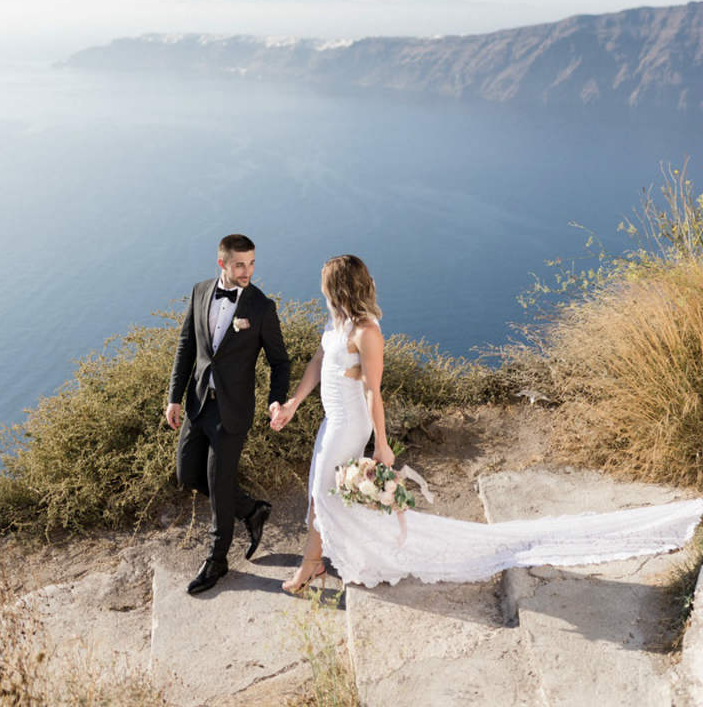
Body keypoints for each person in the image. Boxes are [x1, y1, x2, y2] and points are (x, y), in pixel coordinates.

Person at [271, 254, 703, 592]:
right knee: (326, 493)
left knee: (320, 495)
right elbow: (319, 360)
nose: (322, 291)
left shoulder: (367, 332)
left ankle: (313, 566)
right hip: (332, 420)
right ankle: (348, 555)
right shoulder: (337, 323)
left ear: (339, 288)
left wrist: (382, 445)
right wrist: (292, 402)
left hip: (350, 425)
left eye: (326, 286)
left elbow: (373, 392)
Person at [166, 234, 290, 595]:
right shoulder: (200, 291)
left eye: (251, 263)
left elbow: (280, 362)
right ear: (222, 263)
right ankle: (251, 510)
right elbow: (187, 346)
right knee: (187, 472)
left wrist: (276, 400)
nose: (247, 271)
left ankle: (217, 560)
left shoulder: (261, 307)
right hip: (200, 402)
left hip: (233, 410)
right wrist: (174, 397)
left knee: (219, 482)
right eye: (240, 264)